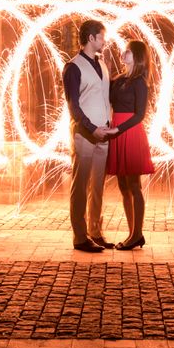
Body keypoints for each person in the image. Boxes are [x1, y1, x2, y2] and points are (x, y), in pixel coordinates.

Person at [63, 19, 118, 252]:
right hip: (85, 135)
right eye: (102, 36)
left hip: (103, 134)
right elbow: (73, 105)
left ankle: (96, 232)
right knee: (80, 185)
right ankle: (80, 237)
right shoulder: (73, 67)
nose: (105, 40)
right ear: (91, 38)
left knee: (97, 187)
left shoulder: (102, 65)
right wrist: (90, 127)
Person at [106, 40, 155, 250]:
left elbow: (140, 115)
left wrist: (118, 129)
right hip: (117, 131)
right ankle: (131, 233)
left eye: (127, 51)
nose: (123, 53)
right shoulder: (117, 80)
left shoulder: (139, 82)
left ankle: (137, 234)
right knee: (123, 186)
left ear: (136, 56)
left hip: (130, 132)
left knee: (134, 186)